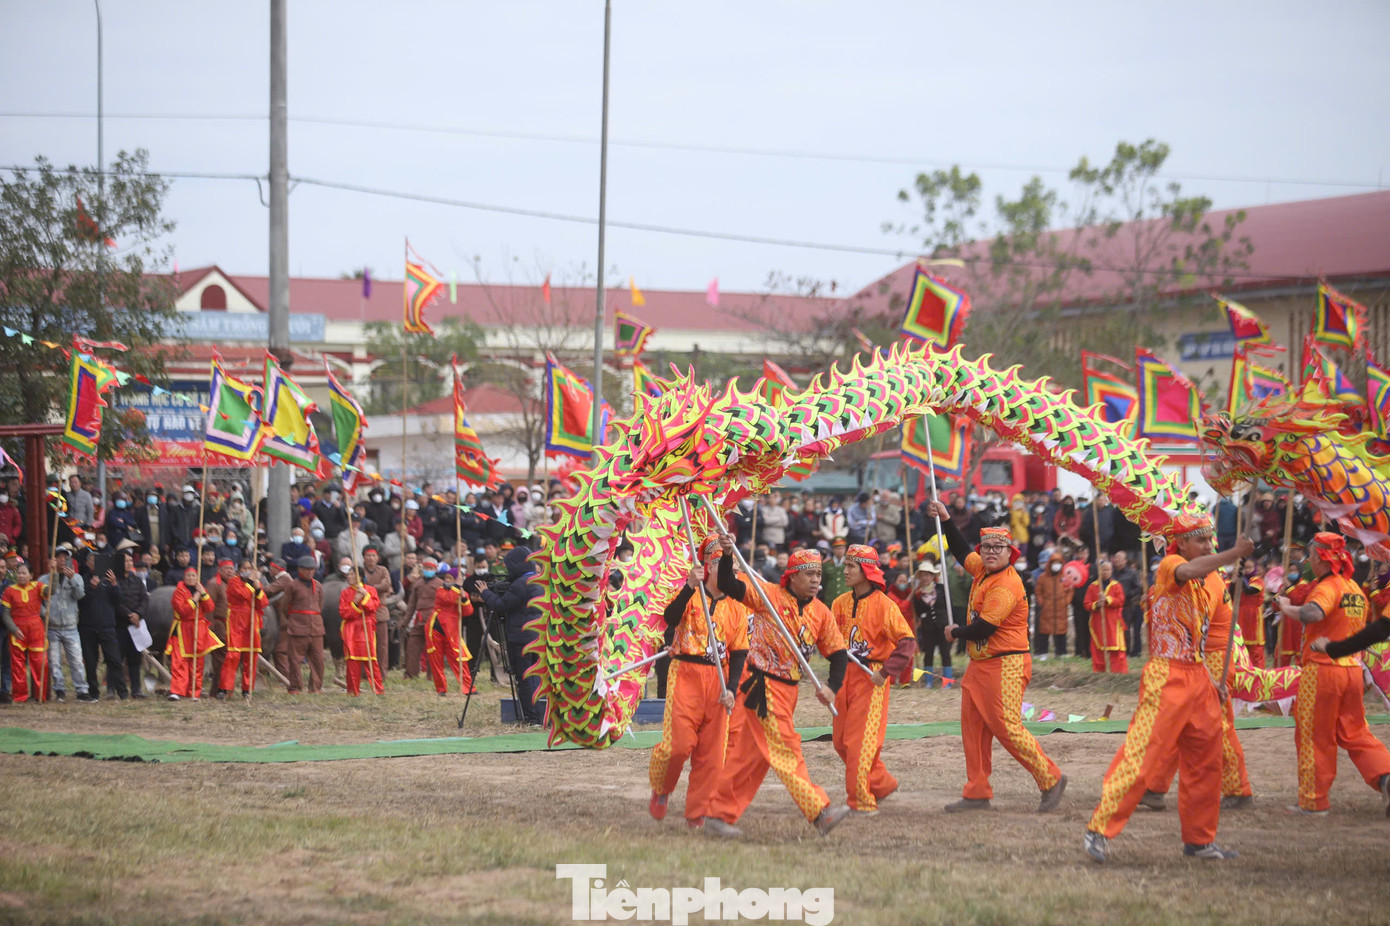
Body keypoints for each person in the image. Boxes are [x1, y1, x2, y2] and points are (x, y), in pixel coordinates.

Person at [1083, 515, 1250, 863]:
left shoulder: (1209, 582)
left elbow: (1195, 639)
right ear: (1183, 544)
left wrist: (1212, 681)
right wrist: (1234, 552)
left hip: (1198, 676)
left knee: (1206, 760)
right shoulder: (1172, 564)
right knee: (1143, 754)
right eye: (1200, 540)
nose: (1207, 546)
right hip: (1166, 676)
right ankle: (1098, 830)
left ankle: (1200, 841)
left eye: (1210, 540)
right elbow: (1188, 572)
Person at [924, 504, 1066, 814]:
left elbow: (984, 627)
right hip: (981, 664)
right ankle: (977, 791)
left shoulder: (1007, 584)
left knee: (1006, 726)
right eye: (986, 547)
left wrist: (954, 633)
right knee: (972, 728)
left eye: (998, 547)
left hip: (1006, 663)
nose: (990, 552)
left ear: (1009, 552)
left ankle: (1051, 778)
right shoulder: (983, 570)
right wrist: (947, 519)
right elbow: (962, 551)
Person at [705, 538, 851, 838]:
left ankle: (719, 813)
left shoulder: (821, 613)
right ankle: (819, 812)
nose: (815, 580)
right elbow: (730, 585)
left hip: (789, 690)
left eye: (819, 575)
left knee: (749, 758)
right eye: (809, 574)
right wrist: (729, 552)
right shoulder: (766, 595)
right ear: (792, 575)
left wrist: (832, 687)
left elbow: (837, 654)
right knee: (786, 747)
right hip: (763, 687)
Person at [1274, 532, 1390, 816]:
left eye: (1311, 555)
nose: (1308, 561)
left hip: (1323, 670)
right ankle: (1386, 776)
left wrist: (1287, 607)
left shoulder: (1327, 587)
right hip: (1351, 670)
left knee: (1315, 736)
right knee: (1356, 732)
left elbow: (1313, 614)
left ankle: (1314, 801)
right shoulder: (1353, 587)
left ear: (1320, 558)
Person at [649, 535, 750, 828]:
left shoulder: (735, 607)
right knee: (677, 747)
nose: (721, 569)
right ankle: (662, 787)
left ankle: (697, 813)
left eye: (725, 563)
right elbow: (669, 618)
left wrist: (731, 688)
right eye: (715, 563)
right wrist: (688, 587)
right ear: (705, 566)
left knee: (711, 754)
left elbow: (740, 651)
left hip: (718, 680)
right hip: (685, 674)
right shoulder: (691, 594)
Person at [830, 544, 916, 814]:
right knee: (840, 742)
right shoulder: (838, 603)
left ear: (866, 570)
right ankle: (881, 783)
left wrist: (885, 672)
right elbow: (828, 639)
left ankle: (861, 802)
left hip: (872, 677)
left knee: (860, 742)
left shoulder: (885, 605)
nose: (845, 571)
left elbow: (907, 643)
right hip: (844, 676)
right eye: (845, 566)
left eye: (850, 567)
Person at [478, 546, 544, 725]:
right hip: (538, 636)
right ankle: (541, 715)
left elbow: (502, 605)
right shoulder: (538, 580)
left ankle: (531, 718)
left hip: (521, 637)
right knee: (537, 676)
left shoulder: (520, 584)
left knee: (524, 679)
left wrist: (485, 593)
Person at [165, 566, 221, 701]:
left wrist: (203, 594)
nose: (191, 578)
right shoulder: (179, 592)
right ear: (184, 578)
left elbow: (210, 608)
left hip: (198, 629)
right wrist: (194, 599)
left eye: (193, 576)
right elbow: (183, 610)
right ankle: (177, 691)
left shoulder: (201, 590)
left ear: (197, 578)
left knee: (197, 662)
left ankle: (194, 692)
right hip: (182, 629)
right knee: (180, 661)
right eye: (189, 576)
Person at [272, 555, 326, 694]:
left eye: (312, 569)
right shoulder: (292, 585)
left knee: (318, 659)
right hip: (297, 627)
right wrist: (295, 618)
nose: (310, 572)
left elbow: (320, 605)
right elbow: (285, 606)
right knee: (295, 659)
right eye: (306, 569)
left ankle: (315, 687)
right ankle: (295, 686)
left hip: (316, 628)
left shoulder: (318, 586)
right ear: (300, 569)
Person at [217, 558, 268, 698]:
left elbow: (263, 603)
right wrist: (251, 583)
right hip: (236, 621)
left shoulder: (256, 583)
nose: (247, 570)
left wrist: (258, 590)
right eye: (244, 568)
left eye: (249, 568)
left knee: (251, 658)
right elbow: (241, 595)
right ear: (239, 570)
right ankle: (224, 688)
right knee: (232, 656)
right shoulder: (233, 582)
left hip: (251, 622)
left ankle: (247, 689)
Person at [43, 550, 88, 701]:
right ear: (53, 559)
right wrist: (44, 614)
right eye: (59, 557)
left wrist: (72, 579)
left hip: (70, 626)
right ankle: (60, 690)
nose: (62, 560)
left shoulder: (77, 577)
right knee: (54, 662)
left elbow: (80, 595)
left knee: (76, 660)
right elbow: (40, 600)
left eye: (65, 557)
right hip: (52, 627)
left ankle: (82, 690)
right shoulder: (44, 579)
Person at [2, 562, 49, 702]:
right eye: (19, 573)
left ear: (31, 575)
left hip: (36, 629)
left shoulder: (38, 586)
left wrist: (54, 574)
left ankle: (40, 695)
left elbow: (51, 591)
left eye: (24, 573)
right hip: (17, 630)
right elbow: (5, 614)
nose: (21, 576)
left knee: (40, 663)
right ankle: (20, 696)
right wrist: (13, 629)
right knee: (17, 665)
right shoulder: (10, 590)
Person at [425, 563, 473, 696]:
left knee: (460, 658)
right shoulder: (440, 590)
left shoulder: (461, 593)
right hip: (436, 627)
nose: (447, 581)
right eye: (446, 578)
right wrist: (457, 587)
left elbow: (468, 611)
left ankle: (468, 688)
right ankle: (441, 689)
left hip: (452, 631)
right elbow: (448, 599)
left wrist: (463, 598)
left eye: (450, 578)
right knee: (436, 660)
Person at [339, 558, 384, 696]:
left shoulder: (370, 590)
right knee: (352, 660)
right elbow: (344, 612)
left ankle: (378, 689)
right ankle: (353, 691)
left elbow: (373, 608)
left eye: (352, 574)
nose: (349, 576)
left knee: (371, 659)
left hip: (367, 627)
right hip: (351, 629)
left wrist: (365, 596)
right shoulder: (345, 593)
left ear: (359, 576)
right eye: (348, 574)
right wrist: (355, 602)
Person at [911, 557, 953, 687]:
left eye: (927, 575)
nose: (925, 578)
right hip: (927, 626)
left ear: (932, 576)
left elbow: (949, 605)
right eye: (922, 575)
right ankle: (928, 682)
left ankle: (948, 681)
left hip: (942, 624)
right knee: (928, 653)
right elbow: (917, 611)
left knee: (945, 652)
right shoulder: (917, 593)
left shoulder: (941, 588)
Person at [113, 551, 149, 697]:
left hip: (136, 625)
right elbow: (116, 602)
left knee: (135, 659)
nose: (128, 564)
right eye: (125, 561)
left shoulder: (137, 581)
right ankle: (116, 689)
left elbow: (144, 599)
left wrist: (138, 614)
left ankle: (136, 690)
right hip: (120, 625)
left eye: (130, 561)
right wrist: (129, 615)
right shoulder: (113, 581)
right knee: (117, 659)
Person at [402, 557, 442, 679]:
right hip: (419, 618)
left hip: (434, 618)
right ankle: (410, 673)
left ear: (435, 569)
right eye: (426, 568)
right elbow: (411, 605)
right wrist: (405, 621)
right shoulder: (417, 584)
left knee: (433, 648)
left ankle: (432, 674)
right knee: (412, 645)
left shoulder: (440, 584)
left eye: (430, 568)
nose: (428, 570)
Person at [1084, 559, 1127, 674]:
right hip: (1098, 621)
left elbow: (1120, 601)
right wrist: (1096, 604)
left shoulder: (1116, 586)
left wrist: (1108, 600)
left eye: (1108, 570)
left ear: (1111, 571)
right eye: (1103, 570)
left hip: (1113, 621)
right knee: (1098, 647)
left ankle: (1118, 672)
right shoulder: (1093, 587)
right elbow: (1086, 603)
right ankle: (1099, 671)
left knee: (1115, 647)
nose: (1105, 572)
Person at [360, 545, 393, 675]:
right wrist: (376, 588)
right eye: (368, 555)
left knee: (382, 645)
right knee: (364, 643)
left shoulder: (383, 570)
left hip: (380, 611)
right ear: (364, 557)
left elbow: (386, 585)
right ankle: (364, 672)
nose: (371, 558)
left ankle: (381, 672)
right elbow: (357, 586)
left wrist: (368, 589)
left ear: (378, 558)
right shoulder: (360, 571)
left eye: (373, 555)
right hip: (364, 612)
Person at [1034, 551, 1069, 659]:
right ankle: (1042, 652)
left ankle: (1061, 653)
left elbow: (1070, 590)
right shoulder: (1043, 577)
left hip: (1061, 609)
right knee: (1044, 631)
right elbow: (1038, 591)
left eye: (1058, 563)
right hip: (1047, 609)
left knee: (1061, 631)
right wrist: (1042, 602)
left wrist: (1065, 601)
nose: (1056, 565)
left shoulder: (1065, 577)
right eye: (1054, 563)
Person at [1235, 560, 1266, 668]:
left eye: (1250, 568)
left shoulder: (1257, 580)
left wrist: (1240, 577)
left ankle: (1259, 675)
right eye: (1245, 568)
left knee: (1255, 650)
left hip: (1253, 618)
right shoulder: (1238, 581)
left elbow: (1249, 590)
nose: (1247, 570)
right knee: (1241, 646)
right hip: (1241, 616)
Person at [820, 538, 849, 605]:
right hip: (830, 600)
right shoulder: (826, 564)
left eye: (842, 548)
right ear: (833, 550)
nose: (840, 551)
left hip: (846, 600)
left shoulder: (849, 563)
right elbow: (823, 582)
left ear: (845, 549)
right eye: (837, 548)